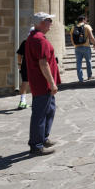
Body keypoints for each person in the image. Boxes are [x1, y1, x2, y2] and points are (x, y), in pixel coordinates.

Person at [26, 13, 60, 155]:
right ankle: (36, 145)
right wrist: (52, 84)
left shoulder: (35, 37)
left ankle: (43, 137)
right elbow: (43, 63)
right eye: (48, 20)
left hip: (42, 83)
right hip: (43, 84)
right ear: (40, 23)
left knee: (49, 110)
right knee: (40, 114)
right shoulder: (39, 40)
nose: (51, 23)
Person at [71, 16, 95, 81]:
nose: (86, 21)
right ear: (83, 20)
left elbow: (72, 38)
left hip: (77, 47)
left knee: (78, 63)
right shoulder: (87, 26)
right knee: (88, 61)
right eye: (86, 20)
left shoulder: (73, 27)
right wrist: (94, 43)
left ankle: (80, 78)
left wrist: (75, 45)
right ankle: (89, 76)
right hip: (86, 46)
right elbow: (91, 36)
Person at [15, 27, 34, 109]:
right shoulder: (38, 42)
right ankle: (35, 101)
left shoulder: (25, 42)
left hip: (25, 65)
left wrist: (19, 64)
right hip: (34, 66)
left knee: (25, 82)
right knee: (34, 82)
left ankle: (22, 101)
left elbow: (19, 54)